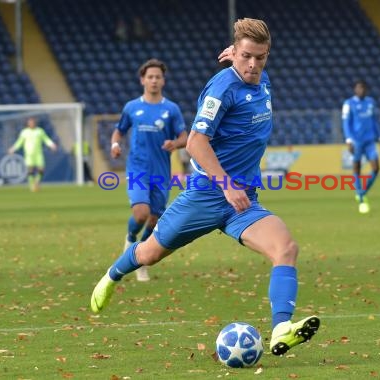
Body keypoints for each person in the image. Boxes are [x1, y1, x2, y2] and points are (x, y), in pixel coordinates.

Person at [90, 18, 320, 357]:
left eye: (260, 56)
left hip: (243, 202)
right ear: (235, 52)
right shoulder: (221, 89)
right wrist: (226, 185)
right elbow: (196, 142)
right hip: (207, 196)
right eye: (246, 56)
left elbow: (249, 69)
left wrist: (237, 59)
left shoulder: (261, 78)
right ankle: (112, 275)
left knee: (285, 249)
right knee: (149, 252)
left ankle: (282, 328)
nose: (253, 64)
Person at [111, 58, 187, 282]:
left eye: (158, 77)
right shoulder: (132, 107)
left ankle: (141, 260)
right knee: (141, 213)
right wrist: (115, 145)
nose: (154, 80)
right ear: (143, 80)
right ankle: (130, 238)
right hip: (137, 169)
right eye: (150, 77)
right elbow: (119, 131)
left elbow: (185, 136)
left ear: (163, 81)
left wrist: (175, 143)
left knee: (154, 220)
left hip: (161, 172)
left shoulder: (171, 109)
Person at [341, 79, 380, 214]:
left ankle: (362, 192)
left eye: (363, 88)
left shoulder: (371, 102)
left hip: (370, 140)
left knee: (376, 168)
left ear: (366, 90)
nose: (361, 90)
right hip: (356, 141)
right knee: (357, 168)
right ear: (355, 90)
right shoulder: (348, 104)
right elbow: (346, 123)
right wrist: (348, 140)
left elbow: (374, 121)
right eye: (359, 88)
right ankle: (360, 197)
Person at [8, 117, 57, 192]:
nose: (31, 123)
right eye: (30, 122)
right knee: (30, 169)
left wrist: (52, 145)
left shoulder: (40, 131)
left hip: (38, 153)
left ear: (35, 123)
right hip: (29, 154)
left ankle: (37, 182)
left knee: (41, 168)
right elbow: (19, 142)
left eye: (32, 122)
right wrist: (13, 148)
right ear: (28, 123)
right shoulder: (24, 132)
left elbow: (46, 139)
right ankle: (32, 185)